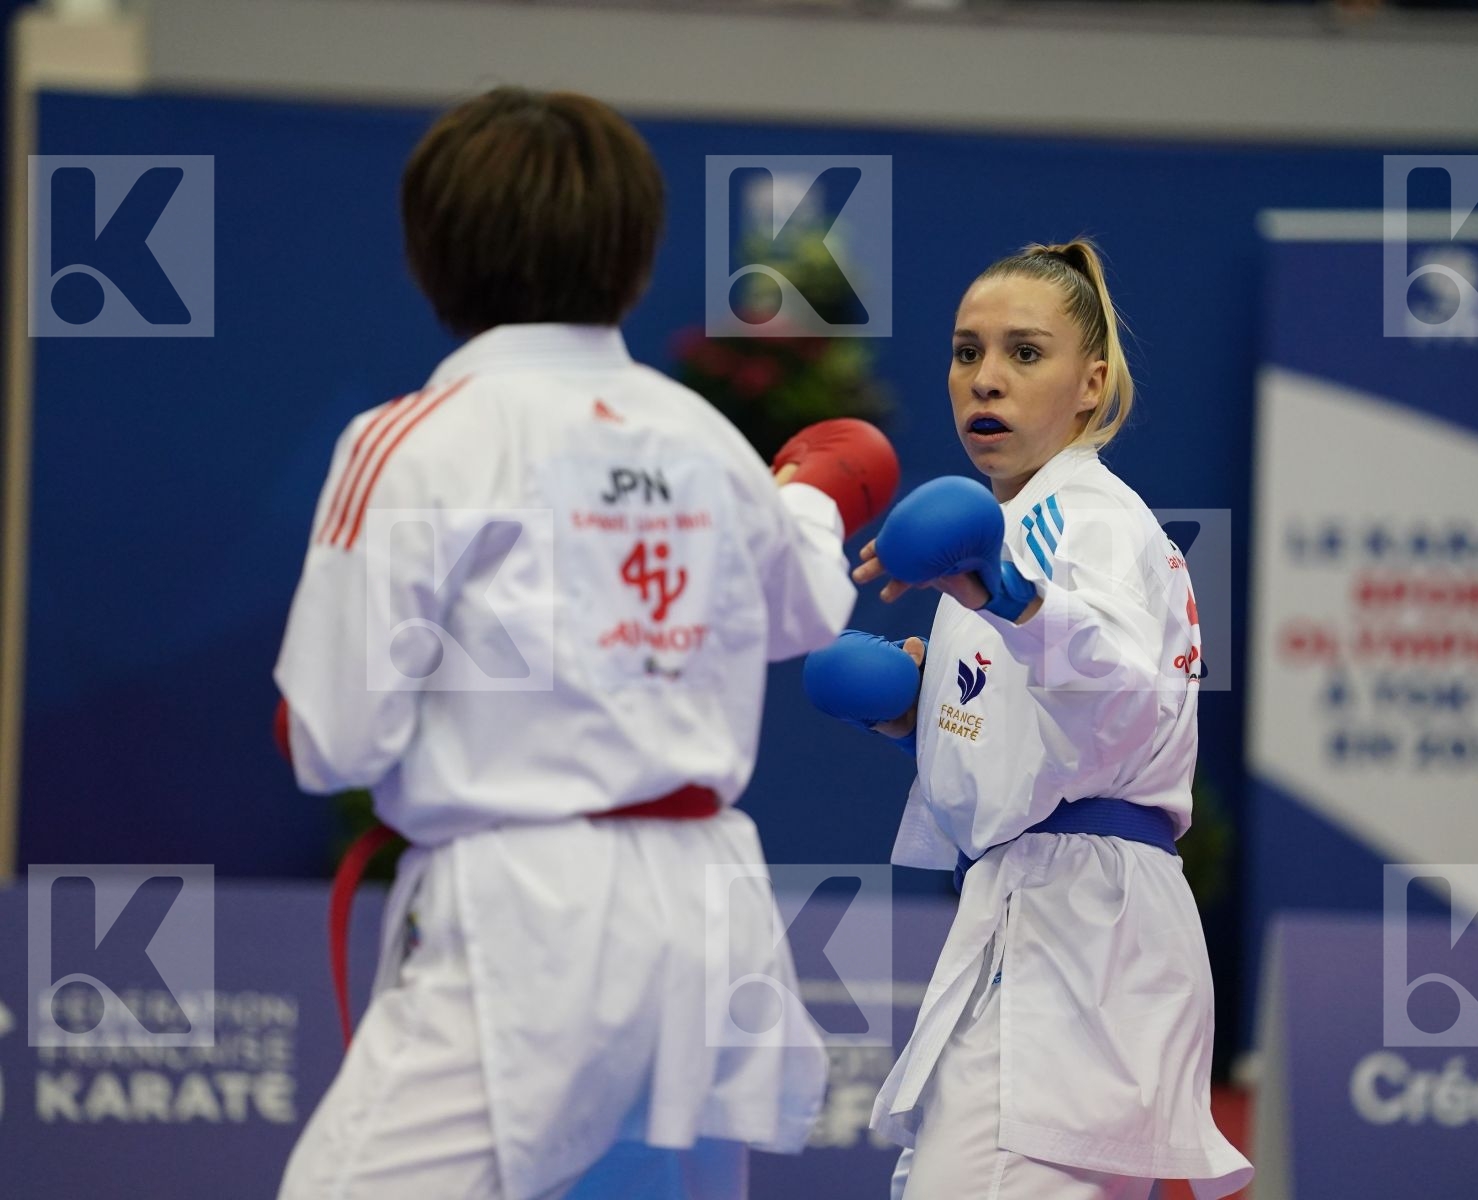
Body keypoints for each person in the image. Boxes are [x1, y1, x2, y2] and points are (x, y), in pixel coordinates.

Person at [272, 86, 898, 1200]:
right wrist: (808, 493)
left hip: (530, 915)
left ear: (433, 252)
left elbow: (333, 742)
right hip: (707, 915)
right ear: (635, 257)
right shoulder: (699, 435)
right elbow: (803, 610)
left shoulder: (418, 439)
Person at [804, 241, 1254, 1199]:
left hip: (1073, 917)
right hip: (1047, 906)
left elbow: (1128, 696)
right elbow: (1041, 742)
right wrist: (915, 715)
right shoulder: (1013, 529)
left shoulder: (1071, 523)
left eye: (1024, 353)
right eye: (968, 352)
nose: (988, 378)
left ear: (1091, 385)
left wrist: (1013, 598)